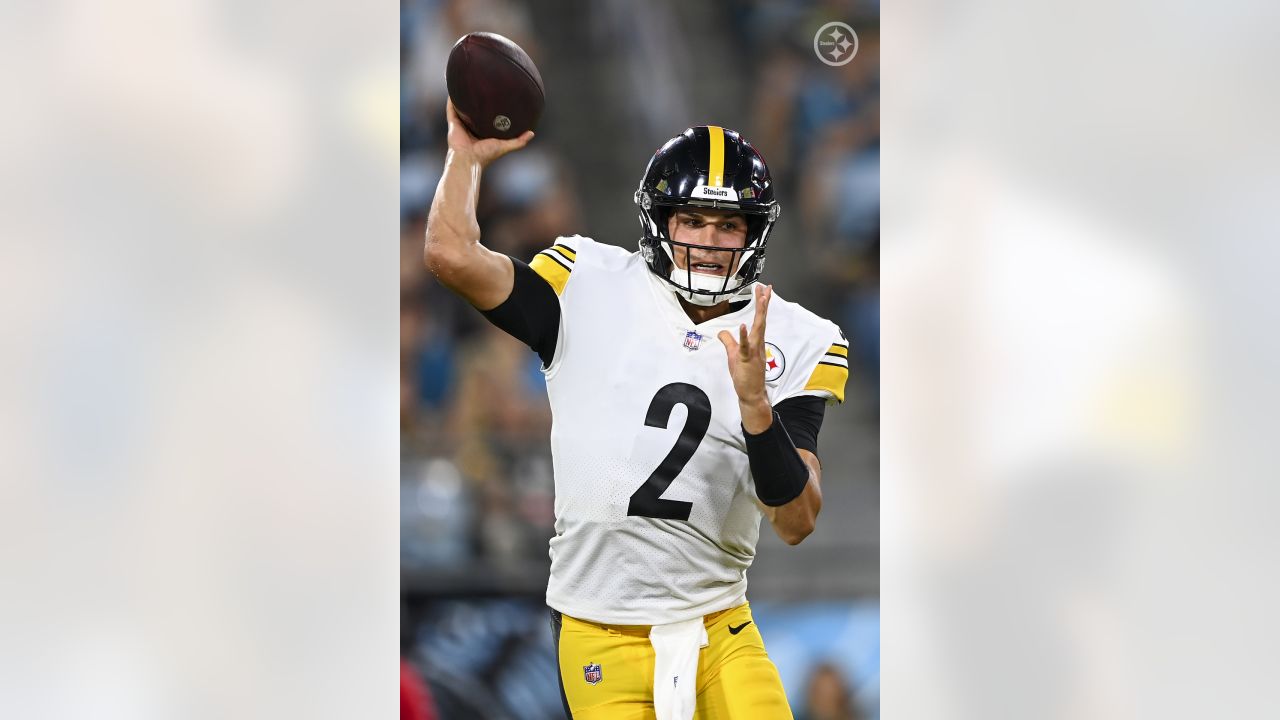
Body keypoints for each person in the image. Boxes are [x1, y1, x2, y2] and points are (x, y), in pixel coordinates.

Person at [424, 100, 849, 719]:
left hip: (717, 627)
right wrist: (464, 156)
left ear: (753, 233)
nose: (707, 241)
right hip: (601, 626)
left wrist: (756, 406)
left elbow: (795, 521)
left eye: (727, 225)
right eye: (692, 220)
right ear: (660, 222)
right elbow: (451, 256)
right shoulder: (587, 282)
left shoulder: (795, 334)